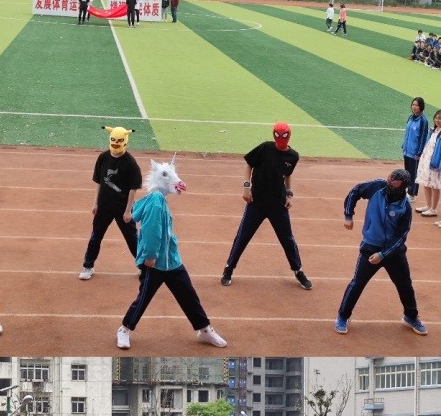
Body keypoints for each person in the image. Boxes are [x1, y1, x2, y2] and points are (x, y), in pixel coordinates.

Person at [117, 160, 228, 350]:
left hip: (172, 261)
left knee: (188, 295)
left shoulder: (159, 199)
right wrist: (150, 255)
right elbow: (151, 230)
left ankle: (204, 329)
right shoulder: (156, 201)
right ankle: (124, 329)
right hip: (156, 262)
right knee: (144, 297)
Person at [221, 122, 309, 289]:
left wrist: (289, 194)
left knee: (287, 239)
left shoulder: (293, 156)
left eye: (283, 136)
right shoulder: (265, 148)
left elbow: (287, 176)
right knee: (243, 236)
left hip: (278, 204)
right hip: (257, 203)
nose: (280, 139)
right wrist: (246, 187)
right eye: (278, 136)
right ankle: (229, 268)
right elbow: (249, 165)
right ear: (274, 135)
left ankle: (298, 271)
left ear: (289, 136)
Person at [336, 168, 424, 334]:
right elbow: (356, 191)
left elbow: (400, 237)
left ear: (402, 186)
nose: (389, 184)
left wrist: (383, 254)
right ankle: (343, 316)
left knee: (405, 284)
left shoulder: (405, 207)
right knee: (357, 283)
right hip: (370, 246)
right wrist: (348, 215)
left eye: (394, 183)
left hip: (393, 252)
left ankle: (410, 316)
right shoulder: (377, 186)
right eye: (389, 179)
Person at [80, 126, 141, 279]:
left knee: (132, 238)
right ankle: (88, 266)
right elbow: (99, 182)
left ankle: (142, 266)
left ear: (125, 141)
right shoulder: (103, 158)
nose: (115, 143)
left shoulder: (130, 163)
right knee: (96, 236)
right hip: (104, 206)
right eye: (113, 140)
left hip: (123, 208)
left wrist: (128, 211)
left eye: (119, 140)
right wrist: (95, 203)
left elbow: (133, 188)